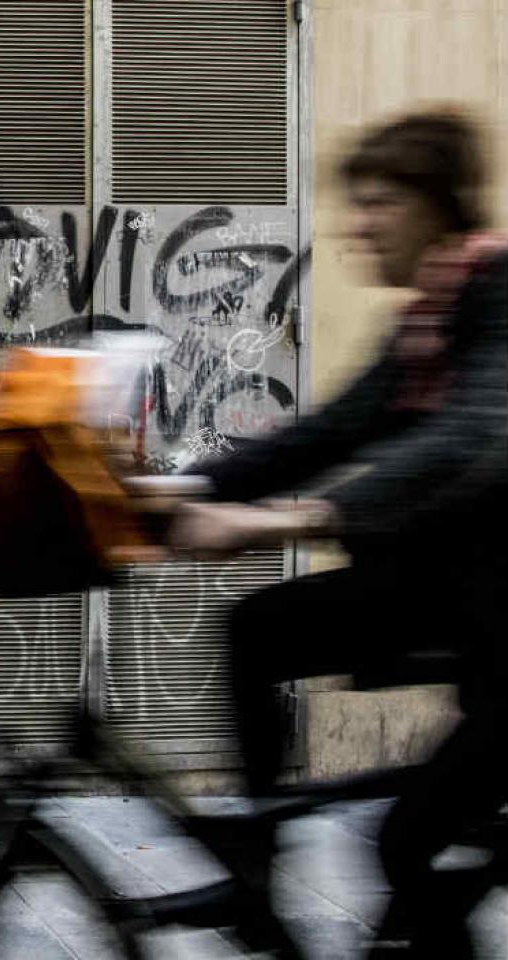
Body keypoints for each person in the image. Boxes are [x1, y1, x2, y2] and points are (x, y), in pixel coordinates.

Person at [168, 109, 508, 958]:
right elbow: (327, 433)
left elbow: (470, 439)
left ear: (436, 205)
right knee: (258, 629)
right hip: (459, 599)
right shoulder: (426, 319)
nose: (359, 224)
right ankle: (255, 872)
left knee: (404, 843)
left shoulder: (498, 291)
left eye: (380, 201)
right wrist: (169, 488)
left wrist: (291, 519)